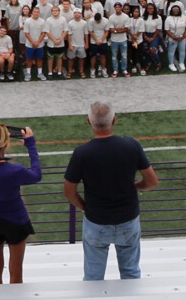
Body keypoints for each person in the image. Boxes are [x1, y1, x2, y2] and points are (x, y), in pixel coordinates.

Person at [63, 101, 157, 281]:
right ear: (114, 120)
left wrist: (85, 207)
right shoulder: (131, 145)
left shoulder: (82, 153)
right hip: (128, 219)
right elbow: (152, 181)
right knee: (130, 273)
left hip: (96, 221)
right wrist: (135, 187)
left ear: (88, 122)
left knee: (93, 276)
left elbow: (69, 191)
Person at [0, 124, 41, 284]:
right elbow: (36, 175)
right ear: (6, 144)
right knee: (16, 270)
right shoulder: (15, 170)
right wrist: (31, 145)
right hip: (16, 221)